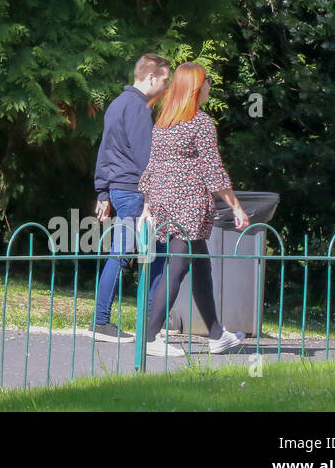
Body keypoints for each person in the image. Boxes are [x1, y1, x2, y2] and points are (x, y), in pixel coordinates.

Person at [138, 61, 249, 357]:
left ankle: (216, 335)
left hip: (165, 202)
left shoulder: (163, 123)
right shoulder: (200, 123)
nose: (210, 86)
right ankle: (150, 337)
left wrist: (148, 206)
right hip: (189, 206)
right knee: (177, 268)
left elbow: (153, 167)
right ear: (196, 87)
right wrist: (236, 207)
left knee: (201, 264)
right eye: (207, 81)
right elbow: (213, 171)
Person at [90, 54, 170, 341]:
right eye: (164, 79)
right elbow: (146, 157)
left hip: (119, 189)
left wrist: (102, 190)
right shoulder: (137, 107)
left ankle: (119, 321)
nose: (166, 85)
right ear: (150, 77)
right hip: (136, 192)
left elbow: (105, 150)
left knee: (127, 253)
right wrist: (157, 192)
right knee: (149, 254)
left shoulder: (116, 104)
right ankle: (140, 324)